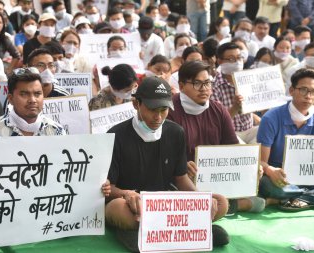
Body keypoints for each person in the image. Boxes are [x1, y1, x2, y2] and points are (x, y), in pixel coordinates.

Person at [105, 76, 229, 252]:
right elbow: (109, 190)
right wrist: (126, 194)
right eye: (152, 109)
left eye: (163, 110)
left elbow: (181, 179)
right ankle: (182, 231)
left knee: (220, 202)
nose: (158, 117)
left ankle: (153, 233)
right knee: (116, 209)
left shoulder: (175, 132)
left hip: (164, 205)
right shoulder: (116, 135)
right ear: (136, 104)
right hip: (133, 208)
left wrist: (201, 201)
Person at [0, 67, 111, 207]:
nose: (32, 99)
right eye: (24, 94)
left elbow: (68, 176)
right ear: (10, 98)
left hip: (46, 210)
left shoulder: (57, 131)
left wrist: (95, 185)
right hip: (5, 210)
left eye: (37, 93)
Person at [168, 60, 266, 214]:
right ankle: (238, 205)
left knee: (267, 184)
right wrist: (182, 165)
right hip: (181, 179)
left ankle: (224, 203)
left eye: (207, 83)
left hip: (215, 178)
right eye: (197, 83)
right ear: (181, 86)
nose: (204, 89)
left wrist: (252, 165)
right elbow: (164, 155)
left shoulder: (218, 109)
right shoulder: (170, 110)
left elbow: (231, 145)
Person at [258, 68, 314, 209]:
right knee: (268, 185)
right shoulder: (271, 118)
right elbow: (262, 162)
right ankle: (305, 198)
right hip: (279, 178)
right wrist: (271, 171)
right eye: (303, 90)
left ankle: (289, 199)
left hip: (307, 178)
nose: (308, 96)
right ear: (291, 91)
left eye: (313, 92)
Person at [212, 42, 260, 144]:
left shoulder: (248, 79)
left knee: (267, 130)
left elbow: (257, 106)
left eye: (239, 58)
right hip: (229, 133)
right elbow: (219, 122)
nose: (237, 62)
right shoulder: (214, 86)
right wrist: (235, 107)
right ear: (219, 61)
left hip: (249, 129)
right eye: (231, 59)